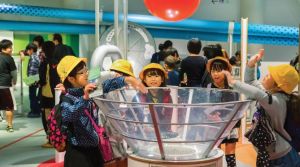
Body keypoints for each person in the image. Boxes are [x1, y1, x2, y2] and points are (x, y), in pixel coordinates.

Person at [56, 56, 146, 167]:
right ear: (71, 78)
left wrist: (128, 79)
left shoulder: (88, 89)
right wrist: (84, 98)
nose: (87, 74)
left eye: (86, 70)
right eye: (82, 72)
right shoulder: (67, 98)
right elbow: (69, 115)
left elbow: (107, 85)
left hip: (94, 151)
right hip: (78, 155)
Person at [223, 49, 300, 166]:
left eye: (269, 75)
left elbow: (258, 94)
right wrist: (250, 65)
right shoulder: (270, 95)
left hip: (282, 158)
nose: (265, 76)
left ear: (279, 85)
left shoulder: (278, 101)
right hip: (270, 156)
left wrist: (233, 82)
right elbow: (251, 81)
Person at [206, 57, 239, 167]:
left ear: (226, 71)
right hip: (214, 124)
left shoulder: (233, 87)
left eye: (219, 70)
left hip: (231, 124)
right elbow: (205, 106)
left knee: (230, 152)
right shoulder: (208, 87)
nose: (215, 74)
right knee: (215, 151)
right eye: (213, 71)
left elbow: (237, 106)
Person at [130, 63, 173, 133]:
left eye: (156, 76)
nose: (153, 79)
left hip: (162, 132)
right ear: (144, 80)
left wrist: (156, 129)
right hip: (143, 134)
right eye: (149, 76)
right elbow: (130, 113)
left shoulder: (167, 96)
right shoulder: (139, 96)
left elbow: (168, 116)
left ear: (162, 79)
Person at [39, 41, 56, 148]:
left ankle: (51, 141)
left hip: (46, 94)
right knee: (56, 117)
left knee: (47, 118)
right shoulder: (57, 61)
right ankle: (58, 139)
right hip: (57, 94)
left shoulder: (45, 63)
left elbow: (42, 80)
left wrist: (36, 82)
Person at [0, 39, 17, 132]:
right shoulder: (9, 58)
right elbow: (14, 73)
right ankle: (10, 126)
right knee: (8, 107)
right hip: (5, 86)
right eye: (9, 47)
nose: (11, 49)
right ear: (3, 48)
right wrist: (15, 81)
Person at [22, 43, 42, 118]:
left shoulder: (33, 59)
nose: (27, 52)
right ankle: (35, 110)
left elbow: (32, 71)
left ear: (31, 50)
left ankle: (35, 112)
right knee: (34, 96)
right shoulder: (36, 57)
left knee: (32, 96)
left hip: (33, 80)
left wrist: (29, 81)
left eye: (27, 50)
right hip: (36, 79)